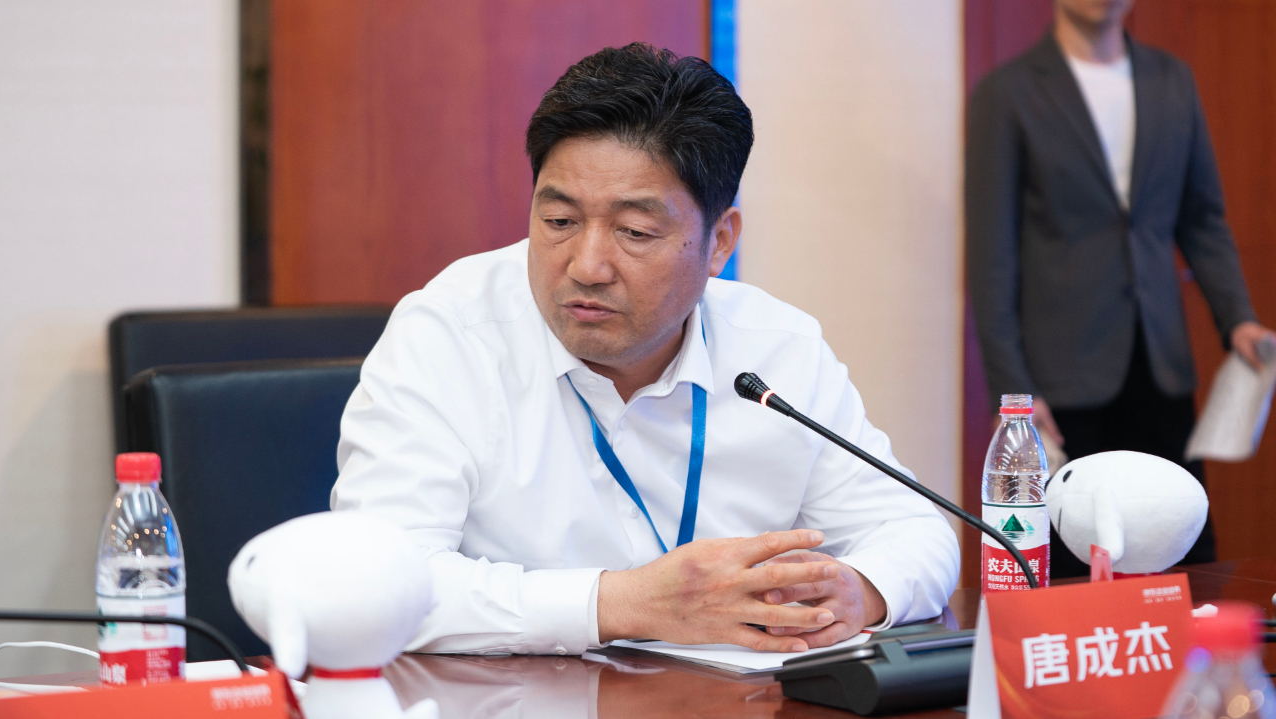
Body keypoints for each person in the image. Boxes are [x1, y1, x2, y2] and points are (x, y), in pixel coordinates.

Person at [333, 43, 958, 655]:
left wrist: (856, 591)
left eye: (635, 231)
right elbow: (376, 584)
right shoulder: (449, 333)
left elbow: (914, 531)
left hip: (727, 699)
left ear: (720, 242)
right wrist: (626, 604)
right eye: (559, 222)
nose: (586, 265)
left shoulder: (777, 350)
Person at [966, 0, 1275, 578]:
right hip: (1062, 377)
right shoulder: (1006, 93)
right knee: (1073, 561)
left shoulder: (1172, 79)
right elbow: (991, 257)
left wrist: (1237, 317)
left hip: (1160, 364)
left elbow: (1202, 220)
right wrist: (1014, 392)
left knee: (1182, 549)